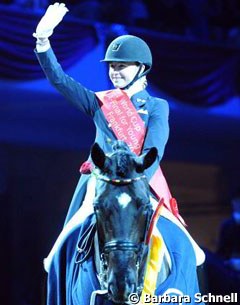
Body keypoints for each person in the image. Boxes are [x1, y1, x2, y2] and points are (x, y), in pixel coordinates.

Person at [33, 2, 205, 296]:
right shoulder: (100, 102)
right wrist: (43, 41)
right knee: (59, 249)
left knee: (192, 249)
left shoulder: (156, 107)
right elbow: (60, 81)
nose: (114, 72)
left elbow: (155, 148)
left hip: (141, 182)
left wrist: (135, 181)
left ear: (141, 68)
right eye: (112, 66)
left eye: (121, 66)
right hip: (100, 185)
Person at [216, 189, 240, 271]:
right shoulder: (227, 225)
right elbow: (222, 250)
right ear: (233, 202)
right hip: (230, 267)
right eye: (237, 201)